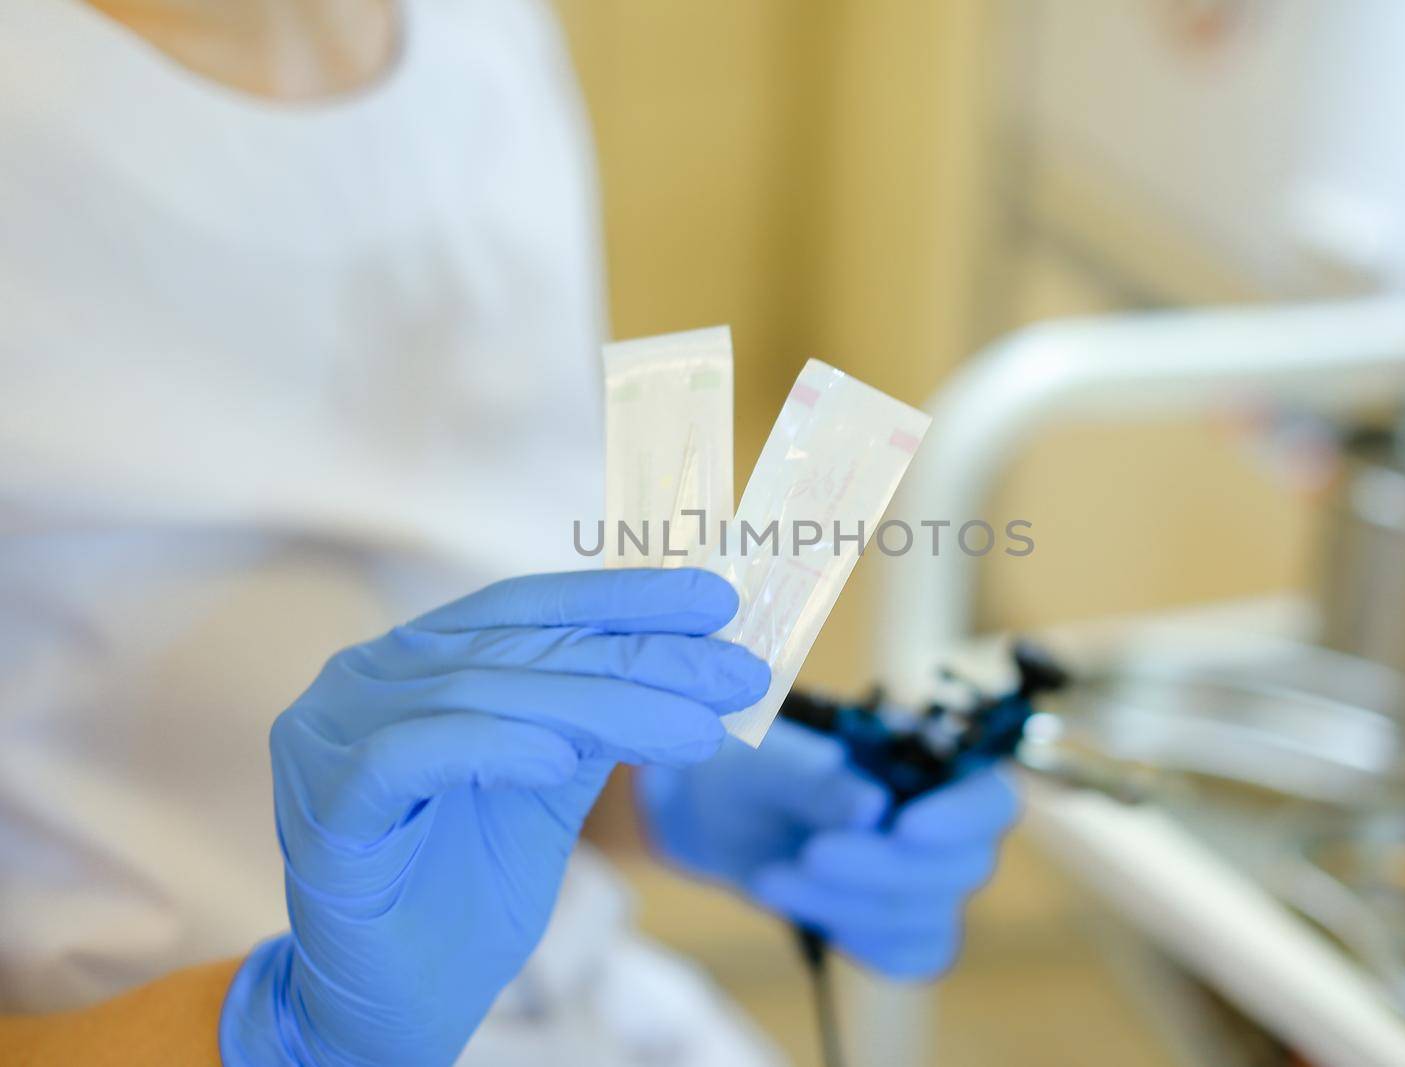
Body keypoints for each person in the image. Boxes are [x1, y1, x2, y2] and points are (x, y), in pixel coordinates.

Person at [0, 1, 1018, 1065]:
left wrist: (660, 783)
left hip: (589, 1010)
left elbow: (470, 646)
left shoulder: (483, 28)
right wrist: (279, 1037)